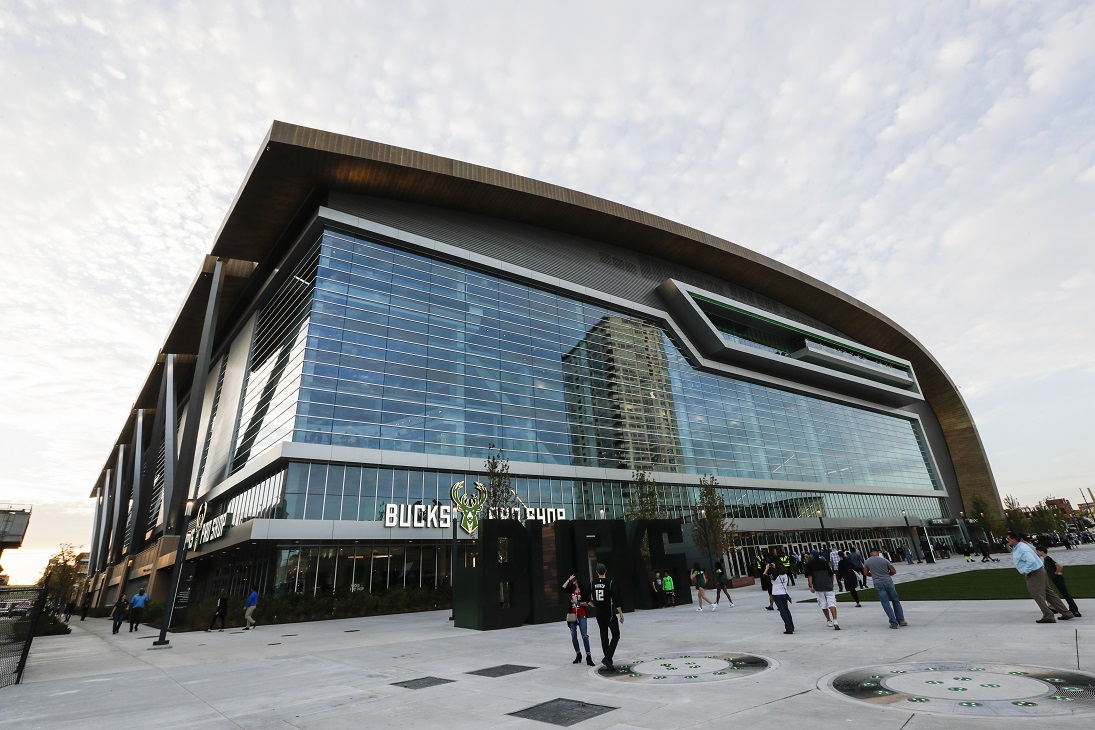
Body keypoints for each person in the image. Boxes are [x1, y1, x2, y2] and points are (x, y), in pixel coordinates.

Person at [1006, 532, 1073, 623]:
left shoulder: (1022, 549)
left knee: (1037, 594)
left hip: (1034, 573)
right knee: (1049, 593)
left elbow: (1031, 561)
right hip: (1039, 571)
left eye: (1008, 539)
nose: (1007, 540)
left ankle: (1048, 616)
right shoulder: (1020, 547)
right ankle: (1066, 613)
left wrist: (1027, 571)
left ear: (1014, 540)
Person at [590, 563, 623, 672]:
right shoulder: (610, 583)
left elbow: (587, 596)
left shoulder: (593, 583)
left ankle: (608, 661)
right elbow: (615, 598)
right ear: (606, 571)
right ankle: (607, 658)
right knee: (616, 635)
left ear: (596, 572)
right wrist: (621, 612)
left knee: (604, 637)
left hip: (599, 613)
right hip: (609, 613)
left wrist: (590, 603)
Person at [863, 548, 906, 629]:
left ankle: (893, 622)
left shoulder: (867, 561)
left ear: (870, 554)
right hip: (888, 581)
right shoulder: (884, 560)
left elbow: (865, 573)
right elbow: (893, 571)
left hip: (878, 583)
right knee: (895, 600)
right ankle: (901, 620)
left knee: (885, 602)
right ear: (878, 553)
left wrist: (873, 575)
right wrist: (887, 575)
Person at [1036, 546, 1081, 618]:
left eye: (1037, 551)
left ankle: (1074, 610)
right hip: (1055, 579)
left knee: (1065, 594)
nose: (1037, 553)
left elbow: (1060, 566)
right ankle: (1073, 610)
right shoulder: (1046, 559)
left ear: (1041, 551)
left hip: (1058, 579)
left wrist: (1056, 572)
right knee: (1064, 594)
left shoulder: (1048, 559)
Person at [561, 574, 595, 666]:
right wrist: (568, 579)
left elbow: (587, 603)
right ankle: (578, 654)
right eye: (572, 580)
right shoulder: (571, 588)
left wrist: (578, 602)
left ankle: (588, 656)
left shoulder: (583, 590)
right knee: (573, 636)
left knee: (584, 635)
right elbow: (563, 588)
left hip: (581, 614)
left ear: (578, 580)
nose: (573, 581)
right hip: (572, 615)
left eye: (574, 579)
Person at [806, 549, 839, 630]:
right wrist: (832, 583)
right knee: (832, 603)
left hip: (818, 586)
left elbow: (810, 576)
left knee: (823, 604)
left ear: (812, 555)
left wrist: (810, 586)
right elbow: (831, 574)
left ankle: (828, 620)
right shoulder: (824, 562)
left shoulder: (810, 564)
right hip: (828, 585)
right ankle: (835, 620)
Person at [763, 559, 794, 634]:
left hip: (777, 594)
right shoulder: (785, 575)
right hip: (784, 594)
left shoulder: (774, 576)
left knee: (782, 611)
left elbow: (764, 577)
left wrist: (767, 569)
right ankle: (791, 626)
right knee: (786, 610)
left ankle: (788, 628)